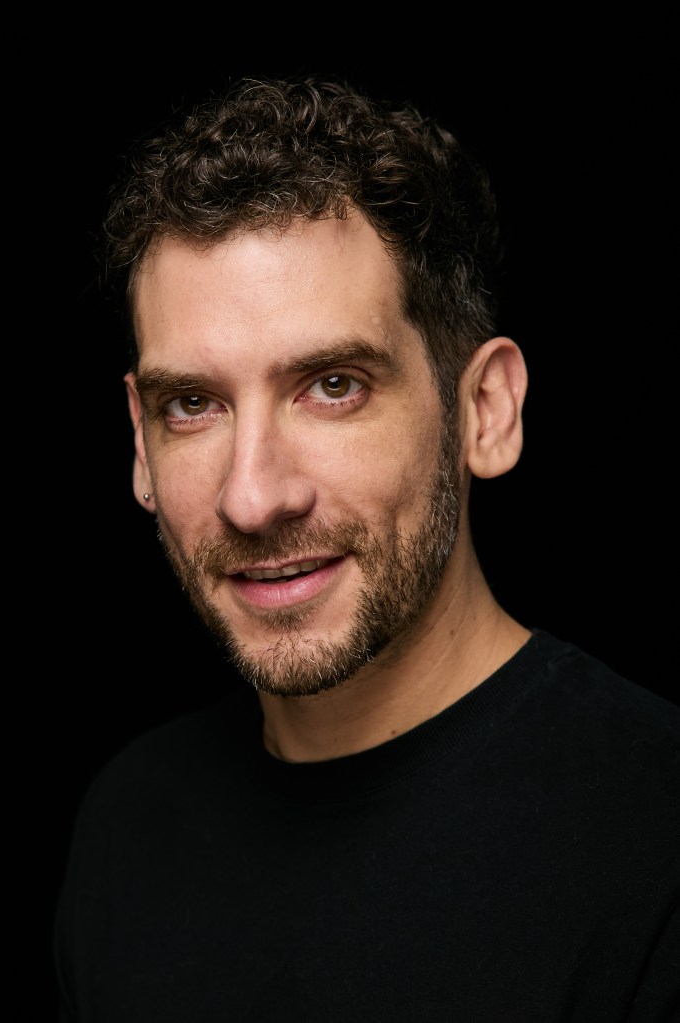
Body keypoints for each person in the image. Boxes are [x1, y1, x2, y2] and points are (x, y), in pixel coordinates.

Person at [54, 75, 680, 1021]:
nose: (252, 496)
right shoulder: (127, 825)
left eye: (333, 385)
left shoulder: (655, 838)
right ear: (140, 443)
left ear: (484, 410)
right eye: (193, 404)